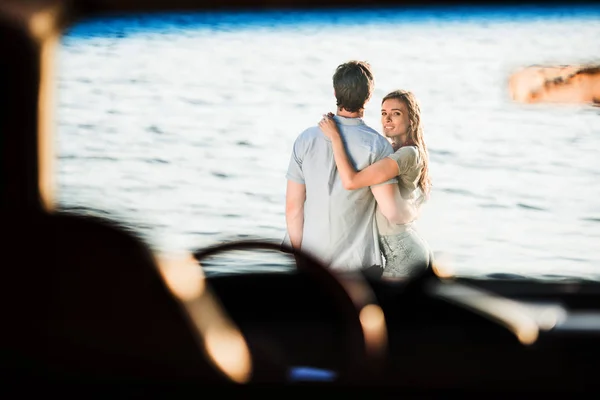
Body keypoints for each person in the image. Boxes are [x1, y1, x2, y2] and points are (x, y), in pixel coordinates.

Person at [285, 61, 416, 274]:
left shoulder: (305, 139)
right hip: (359, 265)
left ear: (335, 91)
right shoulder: (378, 145)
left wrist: (301, 260)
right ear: (369, 97)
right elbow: (391, 211)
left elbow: (293, 208)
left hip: (312, 262)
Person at [318, 90, 432, 278]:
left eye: (396, 113)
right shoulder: (396, 151)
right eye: (383, 113)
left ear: (412, 119)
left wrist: (336, 136)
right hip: (403, 249)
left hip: (404, 254)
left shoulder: (408, 154)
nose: (387, 119)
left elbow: (352, 180)